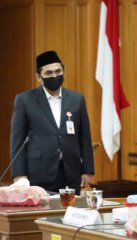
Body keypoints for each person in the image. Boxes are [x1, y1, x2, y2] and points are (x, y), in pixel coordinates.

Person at [10, 50, 94, 195]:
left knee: (70, 215)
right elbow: (17, 141)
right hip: (39, 172)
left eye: (58, 71)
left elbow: (85, 137)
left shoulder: (77, 99)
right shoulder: (25, 100)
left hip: (71, 172)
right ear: (38, 76)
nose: (54, 76)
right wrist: (19, 174)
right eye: (48, 73)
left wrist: (87, 170)